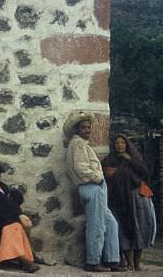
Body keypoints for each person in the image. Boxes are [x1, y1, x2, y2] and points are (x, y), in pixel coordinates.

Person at [64, 111, 125, 272]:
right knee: (96, 225)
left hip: (96, 187)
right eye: (83, 127)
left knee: (111, 223)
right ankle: (93, 261)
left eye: (88, 127)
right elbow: (81, 168)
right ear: (77, 129)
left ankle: (112, 259)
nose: (87, 130)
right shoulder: (77, 143)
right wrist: (96, 177)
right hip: (91, 186)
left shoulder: (83, 144)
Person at [102, 134, 157, 271]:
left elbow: (144, 173)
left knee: (140, 228)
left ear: (126, 144)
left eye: (122, 142)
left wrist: (129, 160)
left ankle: (137, 263)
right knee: (123, 229)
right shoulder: (111, 160)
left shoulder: (134, 158)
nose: (119, 145)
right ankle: (129, 262)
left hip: (137, 197)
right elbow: (107, 176)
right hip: (119, 199)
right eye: (117, 143)